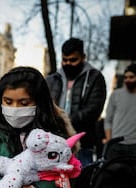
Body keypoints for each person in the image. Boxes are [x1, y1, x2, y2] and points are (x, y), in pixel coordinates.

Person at [46, 37, 107, 167]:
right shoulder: (52, 79)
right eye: (64, 60)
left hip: (82, 143)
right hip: (53, 142)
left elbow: (94, 110)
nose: (68, 63)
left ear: (83, 57)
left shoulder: (95, 78)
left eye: (73, 60)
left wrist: (63, 122)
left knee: (81, 182)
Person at [104, 63, 136, 160]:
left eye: (131, 77)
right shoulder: (116, 95)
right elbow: (108, 120)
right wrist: (109, 141)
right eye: (125, 77)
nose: (128, 80)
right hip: (115, 145)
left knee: (133, 175)